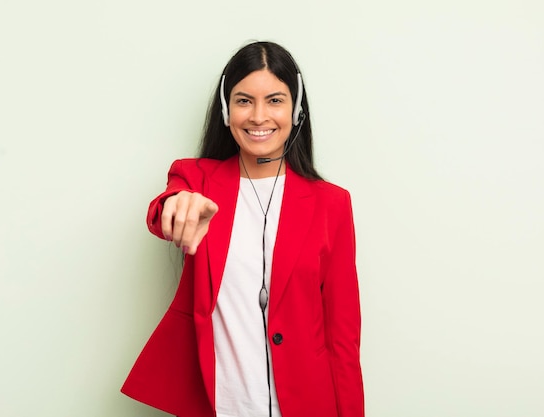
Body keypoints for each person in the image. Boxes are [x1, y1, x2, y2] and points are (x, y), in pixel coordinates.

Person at [121, 41, 364, 417]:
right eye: (244, 100)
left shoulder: (331, 204)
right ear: (225, 109)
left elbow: (343, 338)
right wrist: (178, 205)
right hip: (220, 404)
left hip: (306, 404)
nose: (259, 116)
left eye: (276, 100)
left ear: (296, 109)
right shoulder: (196, 179)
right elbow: (161, 213)